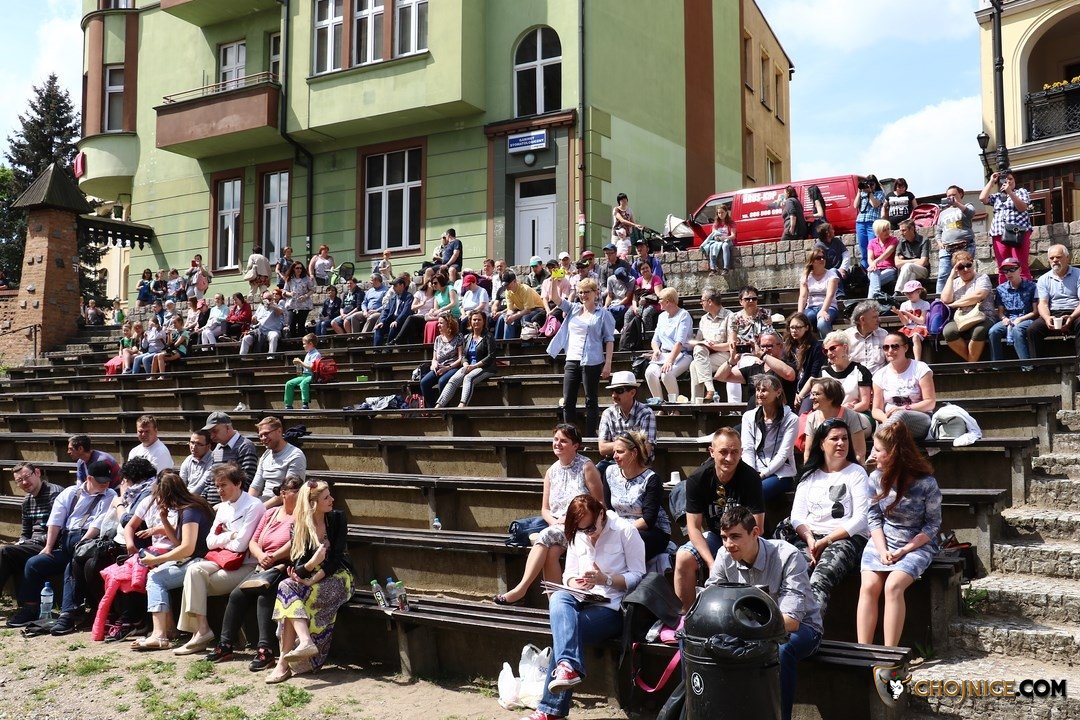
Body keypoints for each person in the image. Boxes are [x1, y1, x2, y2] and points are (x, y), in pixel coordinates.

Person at [521, 494, 644, 720]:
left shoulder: (625, 531)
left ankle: (550, 710)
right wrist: (575, 582)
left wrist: (606, 579)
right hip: (583, 599)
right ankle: (567, 667)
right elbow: (568, 574)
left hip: (614, 607)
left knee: (566, 632)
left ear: (601, 514)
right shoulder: (578, 535)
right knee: (558, 597)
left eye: (591, 528)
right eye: (582, 529)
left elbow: (639, 576)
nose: (587, 533)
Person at [705, 506, 822, 720]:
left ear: (755, 532)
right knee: (694, 640)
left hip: (802, 629)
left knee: (779, 650)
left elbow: (792, 621)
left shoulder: (788, 556)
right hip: (747, 627)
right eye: (724, 537)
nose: (728, 544)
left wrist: (742, 630)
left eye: (735, 536)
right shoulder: (724, 555)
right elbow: (711, 600)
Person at [494, 424, 604, 605]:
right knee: (551, 553)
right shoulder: (551, 471)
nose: (557, 444)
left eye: (564, 441)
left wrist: (574, 520)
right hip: (558, 527)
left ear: (575, 445)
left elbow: (600, 504)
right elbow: (545, 509)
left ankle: (521, 589)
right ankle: (555, 603)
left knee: (545, 536)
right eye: (556, 439)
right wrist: (555, 522)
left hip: (582, 526)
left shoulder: (587, 467)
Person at [857, 423, 941, 647]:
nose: (873, 454)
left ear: (893, 454)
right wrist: (882, 550)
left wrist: (905, 550)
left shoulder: (926, 484)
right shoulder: (875, 478)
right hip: (882, 539)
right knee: (869, 586)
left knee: (893, 586)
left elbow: (933, 525)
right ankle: (863, 651)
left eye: (878, 450)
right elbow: (873, 518)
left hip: (917, 543)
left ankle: (889, 653)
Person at [205, 475, 300, 670]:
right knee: (237, 595)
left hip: (286, 567)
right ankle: (225, 645)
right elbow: (253, 541)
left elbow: (296, 542)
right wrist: (261, 555)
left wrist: (273, 557)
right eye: (296, 491)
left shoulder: (301, 516)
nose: (301, 495)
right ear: (283, 493)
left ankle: (266, 650)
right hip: (263, 565)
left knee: (265, 596)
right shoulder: (270, 513)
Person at [8, 461, 117, 630]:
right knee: (34, 563)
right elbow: (55, 520)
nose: (105, 484)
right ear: (89, 478)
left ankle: (67, 615)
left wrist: (81, 544)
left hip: (87, 543)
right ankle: (30, 607)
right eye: (101, 481)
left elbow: (98, 524)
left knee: (71, 567)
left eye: (107, 481)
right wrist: (48, 547)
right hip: (66, 542)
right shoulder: (71, 492)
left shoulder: (110, 495)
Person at [172, 463, 267, 656]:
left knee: (195, 583)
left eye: (223, 485)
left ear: (238, 483)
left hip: (245, 566)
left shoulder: (254, 505)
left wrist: (224, 539)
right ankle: (202, 630)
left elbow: (241, 546)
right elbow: (209, 542)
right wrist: (230, 535)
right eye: (217, 486)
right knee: (193, 571)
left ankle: (198, 634)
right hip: (221, 561)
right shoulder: (222, 507)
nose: (219, 490)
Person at [267, 479, 354, 682]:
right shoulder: (298, 526)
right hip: (311, 575)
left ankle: (283, 663)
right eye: (326, 498)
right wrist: (312, 563)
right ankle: (304, 643)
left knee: (291, 599)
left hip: (339, 577)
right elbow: (297, 568)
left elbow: (336, 560)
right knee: (286, 586)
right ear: (313, 503)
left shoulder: (337, 518)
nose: (332, 500)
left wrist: (312, 579)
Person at [673, 428, 765, 612]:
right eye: (723, 452)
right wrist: (711, 562)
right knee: (683, 557)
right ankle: (686, 618)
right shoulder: (697, 479)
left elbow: (757, 527)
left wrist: (731, 550)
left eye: (735, 452)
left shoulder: (751, 478)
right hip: (717, 536)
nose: (729, 458)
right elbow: (693, 528)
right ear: (712, 451)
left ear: (741, 452)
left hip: (746, 539)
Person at [131, 470, 216, 650]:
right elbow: (179, 543)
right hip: (195, 558)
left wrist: (157, 559)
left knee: (155, 578)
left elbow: (187, 548)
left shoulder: (190, 511)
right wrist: (164, 519)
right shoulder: (190, 506)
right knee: (155, 575)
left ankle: (159, 635)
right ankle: (165, 632)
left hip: (200, 560)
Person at [546, 278, 615, 437]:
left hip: (592, 360)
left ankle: (590, 436)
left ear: (595, 293)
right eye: (581, 292)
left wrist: (608, 364)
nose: (583, 295)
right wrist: (555, 281)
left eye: (587, 292)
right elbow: (555, 298)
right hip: (572, 358)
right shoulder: (573, 308)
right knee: (568, 401)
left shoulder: (603, 314)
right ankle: (570, 437)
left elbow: (609, 340)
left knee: (591, 400)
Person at [1, 464, 63, 619]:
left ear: (37, 473)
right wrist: (22, 542)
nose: (24, 482)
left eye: (26, 477)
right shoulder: (27, 501)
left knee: (4, 551)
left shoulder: (54, 494)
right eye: (19, 480)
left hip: (52, 544)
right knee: (6, 552)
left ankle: (28, 609)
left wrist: (27, 543)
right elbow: (25, 533)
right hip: (33, 545)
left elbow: (60, 529)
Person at [603, 431, 670, 560]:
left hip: (651, 531)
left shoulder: (651, 479)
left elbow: (648, 520)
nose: (615, 456)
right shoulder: (610, 472)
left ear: (633, 453)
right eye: (614, 452)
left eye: (620, 452)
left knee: (627, 541)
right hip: (619, 527)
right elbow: (609, 509)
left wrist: (621, 531)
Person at [742, 374, 798, 501]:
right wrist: (752, 474)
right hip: (754, 470)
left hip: (781, 473)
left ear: (778, 392)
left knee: (755, 492)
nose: (759, 394)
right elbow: (748, 448)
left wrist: (762, 475)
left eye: (764, 390)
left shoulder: (791, 419)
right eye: (758, 390)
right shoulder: (748, 417)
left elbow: (784, 454)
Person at [871, 333, 936, 441]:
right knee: (895, 424)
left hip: (919, 418)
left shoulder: (920, 368)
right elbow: (876, 409)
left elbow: (930, 403)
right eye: (886, 347)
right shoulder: (880, 375)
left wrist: (903, 408)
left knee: (900, 415)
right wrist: (886, 420)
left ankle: (877, 449)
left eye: (895, 346)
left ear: (905, 348)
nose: (890, 351)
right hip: (889, 421)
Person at [714, 330, 797, 412]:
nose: (765, 350)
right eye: (762, 346)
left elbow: (788, 374)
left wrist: (762, 355)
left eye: (769, 346)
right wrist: (731, 361)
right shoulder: (754, 368)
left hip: (780, 416)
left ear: (781, 346)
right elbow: (720, 377)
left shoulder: (788, 366)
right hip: (754, 416)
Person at [596, 371, 656, 475]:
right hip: (613, 461)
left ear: (632, 393)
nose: (614, 395)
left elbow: (646, 449)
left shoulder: (646, 413)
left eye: (619, 391)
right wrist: (630, 445)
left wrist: (618, 446)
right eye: (612, 391)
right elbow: (602, 448)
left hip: (638, 462)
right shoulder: (608, 413)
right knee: (594, 473)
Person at [434, 310, 496, 408]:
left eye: (479, 320)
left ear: (484, 321)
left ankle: (462, 405)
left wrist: (474, 366)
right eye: (474, 320)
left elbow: (491, 356)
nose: (476, 322)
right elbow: (463, 355)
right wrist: (466, 364)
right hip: (469, 366)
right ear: (470, 322)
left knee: (468, 378)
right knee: (453, 379)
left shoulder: (489, 337)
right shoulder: (467, 337)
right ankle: (439, 406)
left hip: (485, 367)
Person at [940, 250, 993, 363]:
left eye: (968, 265)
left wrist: (955, 304)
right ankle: (972, 364)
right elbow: (945, 299)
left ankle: (971, 365)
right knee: (948, 332)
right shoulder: (955, 282)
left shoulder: (982, 278)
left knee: (978, 331)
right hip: (961, 317)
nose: (965, 269)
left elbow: (979, 296)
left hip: (983, 315)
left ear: (972, 263)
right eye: (960, 267)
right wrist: (951, 276)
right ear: (956, 269)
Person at [980, 169, 1033, 284]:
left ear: (1014, 180)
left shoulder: (1021, 192)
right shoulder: (997, 196)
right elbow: (982, 198)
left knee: (1020, 265)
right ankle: (1005, 291)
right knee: (1003, 267)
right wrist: (991, 181)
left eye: (1010, 179)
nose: (1008, 181)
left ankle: (1026, 291)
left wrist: (1010, 192)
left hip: (1017, 232)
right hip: (999, 233)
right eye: (1005, 179)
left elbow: (1022, 207)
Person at [1028, 244, 1080, 358]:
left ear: (1067, 258)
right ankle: (1039, 365)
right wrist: (1047, 318)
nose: (1055, 260)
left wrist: (1071, 317)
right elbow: (1042, 303)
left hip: (1075, 312)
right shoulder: (1043, 279)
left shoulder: (1078, 274)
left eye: (1058, 257)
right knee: (1033, 330)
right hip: (1053, 313)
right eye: (1052, 258)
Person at [802, 377, 869, 464]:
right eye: (811, 394)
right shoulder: (812, 418)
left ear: (831, 397)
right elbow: (808, 453)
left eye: (816, 394)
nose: (811, 398)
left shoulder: (851, 417)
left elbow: (859, 453)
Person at [644, 288, 692, 404]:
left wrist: (670, 361)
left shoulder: (683, 315)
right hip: (663, 354)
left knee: (666, 374)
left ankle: (675, 406)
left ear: (668, 301)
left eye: (660, 299)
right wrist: (656, 350)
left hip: (682, 354)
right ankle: (659, 403)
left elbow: (679, 342)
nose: (658, 302)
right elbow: (655, 340)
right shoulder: (661, 317)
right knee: (650, 373)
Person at [987, 257, 1037, 364]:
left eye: (1012, 269)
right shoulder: (1001, 289)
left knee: (1017, 330)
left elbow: (1035, 312)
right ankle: (997, 365)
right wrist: (1004, 318)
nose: (1008, 273)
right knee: (993, 331)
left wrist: (1021, 319)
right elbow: (1000, 311)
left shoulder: (1032, 287)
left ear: (1020, 269)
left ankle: (1026, 366)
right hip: (1009, 318)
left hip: (1027, 318)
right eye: (1005, 271)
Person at [688, 286, 731, 403]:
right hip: (706, 354)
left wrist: (713, 346)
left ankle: (697, 401)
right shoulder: (703, 319)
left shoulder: (729, 316)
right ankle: (709, 391)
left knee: (694, 365)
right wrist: (703, 343)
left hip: (725, 354)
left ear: (710, 302)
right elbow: (695, 341)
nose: (701, 303)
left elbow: (731, 345)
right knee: (697, 354)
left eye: (702, 300)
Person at [203, 412, 260, 498]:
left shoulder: (245, 446)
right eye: (210, 433)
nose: (212, 436)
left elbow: (247, 479)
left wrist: (230, 502)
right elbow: (210, 479)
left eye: (215, 431)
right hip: (211, 502)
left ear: (227, 428)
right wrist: (203, 499)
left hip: (230, 502)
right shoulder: (217, 448)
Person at [249, 417, 307, 501]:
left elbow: (289, 492)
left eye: (266, 433)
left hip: (283, 503)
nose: (263, 438)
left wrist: (263, 507)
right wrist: (248, 504)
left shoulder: (295, 455)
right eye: (260, 436)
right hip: (264, 500)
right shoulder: (265, 455)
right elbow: (255, 486)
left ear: (279, 431)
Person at [935, 185, 976, 293]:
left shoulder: (967, 206)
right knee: (943, 275)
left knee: (965, 272)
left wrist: (957, 204)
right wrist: (939, 242)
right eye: (948, 196)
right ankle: (939, 300)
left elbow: (971, 213)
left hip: (965, 246)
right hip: (947, 248)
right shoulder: (943, 213)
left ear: (960, 194)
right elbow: (938, 231)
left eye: (954, 195)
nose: (951, 197)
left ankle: (966, 295)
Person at [420, 316, 463, 408]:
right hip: (439, 367)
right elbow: (434, 358)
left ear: (449, 324)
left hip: (452, 366)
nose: (438, 325)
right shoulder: (438, 339)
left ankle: (444, 408)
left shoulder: (458, 337)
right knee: (424, 382)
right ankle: (432, 409)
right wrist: (434, 364)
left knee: (442, 381)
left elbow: (460, 358)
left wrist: (447, 368)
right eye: (438, 323)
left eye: (441, 323)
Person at [787, 311, 826, 413]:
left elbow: (814, 376)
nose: (794, 330)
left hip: (809, 390)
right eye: (792, 327)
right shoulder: (788, 347)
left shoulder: (815, 347)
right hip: (791, 390)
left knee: (803, 415)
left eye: (798, 327)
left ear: (807, 327)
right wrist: (793, 394)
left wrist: (800, 396)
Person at [797, 249, 840, 337]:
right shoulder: (806, 277)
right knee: (803, 321)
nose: (822, 259)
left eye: (823, 257)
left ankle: (828, 343)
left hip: (829, 307)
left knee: (822, 323)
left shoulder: (832, 275)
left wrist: (824, 310)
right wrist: (799, 314)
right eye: (818, 258)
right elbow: (803, 297)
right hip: (811, 308)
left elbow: (830, 295)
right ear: (812, 261)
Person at [495, 271, 545, 340]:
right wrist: (508, 316)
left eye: (508, 284)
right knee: (502, 318)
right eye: (505, 285)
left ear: (514, 281)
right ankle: (499, 342)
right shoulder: (508, 292)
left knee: (525, 318)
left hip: (537, 309)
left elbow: (528, 310)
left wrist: (514, 317)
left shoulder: (525, 290)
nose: (507, 287)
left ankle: (524, 344)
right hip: (522, 310)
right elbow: (510, 309)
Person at [845, 300, 888, 374]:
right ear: (862, 319)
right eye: (875, 317)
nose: (879, 320)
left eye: (878, 316)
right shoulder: (846, 337)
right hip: (854, 378)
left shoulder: (884, 334)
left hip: (878, 378)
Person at [240, 291, 286, 357]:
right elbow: (255, 321)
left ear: (272, 299)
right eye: (265, 299)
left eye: (269, 299)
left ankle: (271, 357)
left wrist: (271, 306)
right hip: (260, 331)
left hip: (272, 330)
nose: (267, 300)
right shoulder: (261, 307)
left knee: (274, 336)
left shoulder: (276, 305)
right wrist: (254, 319)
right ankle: (242, 358)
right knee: (246, 339)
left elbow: (280, 312)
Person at [373, 274, 414, 346]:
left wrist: (397, 321)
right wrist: (382, 321)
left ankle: (388, 349)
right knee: (379, 328)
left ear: (402, 285)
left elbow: (405, 311)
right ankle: (376, 350)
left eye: (395, 286)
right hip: (391, 320)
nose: (393, 288)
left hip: (402, 322)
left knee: (393, 327)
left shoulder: (408, 297)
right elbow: (386, 310)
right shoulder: (393, 298)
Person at [283, 334, 320, 411]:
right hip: (305, 375)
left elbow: (311, 367)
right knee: (289, 383)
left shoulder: (316, 354)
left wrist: (300, 362)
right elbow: (305, 366)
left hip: (312, 375)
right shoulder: (308, 353)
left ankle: (305, 404)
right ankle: (288, 405)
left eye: (304, 344)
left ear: (311, 344)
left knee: (304, 383)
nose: (303, 346)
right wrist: (298, 363)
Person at [628, 259, 664, 338]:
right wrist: (635, 307)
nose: (645, 270)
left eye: (647, 268)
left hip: (654, 304)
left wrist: (647, 299)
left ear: (650, 268)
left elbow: (658, 295)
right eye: (642, 269)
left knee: (646, 313)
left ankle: (646, 336)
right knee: (629, 313)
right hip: (641, 304)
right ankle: (628, 336)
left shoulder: (656, 279)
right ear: (640, 271)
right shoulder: (638, 281)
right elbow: (635, 297)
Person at [855, 174, 885, 268]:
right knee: (863, 248)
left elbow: (875, 204)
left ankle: (873, 267)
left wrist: (870, 193)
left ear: (876, 184)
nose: (870, 186)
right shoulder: (862, 193)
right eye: (868, 184)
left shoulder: (880, 193)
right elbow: (855, 205)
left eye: (872, 184)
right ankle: (864, 270)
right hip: (860, 222)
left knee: (872, 247)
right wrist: (859, 192)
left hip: (872, 222)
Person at [896, 281, 931, 363]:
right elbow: (905, 323)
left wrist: (907, 313)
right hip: (908, 327)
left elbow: (921, 321)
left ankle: (917, 361)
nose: (908, 295)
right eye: (906, 293)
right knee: (897, 337)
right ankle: (899, 359)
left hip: (920, 327)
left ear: (919, 291)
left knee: (915, 336)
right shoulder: (904, 304)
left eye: (911, 292)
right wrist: (900, 314)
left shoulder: (925, 304)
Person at [893, 219, 930, 291]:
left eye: (904, 230)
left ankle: (898, 291)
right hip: (907, 271)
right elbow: (897, 263)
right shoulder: (901, 243)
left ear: (912, 229)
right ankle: (908, 294)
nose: (901, 233)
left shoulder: (924, 240)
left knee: (908, 266)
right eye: (900, 231)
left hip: (922, 271)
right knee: (911, 274)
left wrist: (904, 262)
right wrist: (915, 260)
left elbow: (922, 263)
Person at [282, 262, 314, 338]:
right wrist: (290, 294)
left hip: (304, 305)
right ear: (293, 269)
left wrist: (305, 296)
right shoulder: (289, 279)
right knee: (291, 324)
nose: (299, 270)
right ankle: (292, 341)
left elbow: (312, 289)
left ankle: (301, 341)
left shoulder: (306, 278)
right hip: (292, 305)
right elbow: (284, 291)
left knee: (301, 325)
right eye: (297, 268)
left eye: (300, 268)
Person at [700, 204, 735, 273]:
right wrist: (717, 238)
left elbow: (733, 236)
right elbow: (714, 235)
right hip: (718, 241)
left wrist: (725, 238)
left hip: (728, 240)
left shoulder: (731, 223)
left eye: (722, 212)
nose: (721, 214)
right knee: (712, 246)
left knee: (725, 246)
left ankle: (726, 268)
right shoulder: (716, 224)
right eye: (719, 213)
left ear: (726, 212)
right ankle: (713, 268)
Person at [179, 430, 215, 498]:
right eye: (192, 442)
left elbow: (202, 485)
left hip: (202, 498)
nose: (194, 447)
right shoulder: (188, 459)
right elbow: (181, 482)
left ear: (208, 446)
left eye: (199, 444)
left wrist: (186, 497)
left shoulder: (213, 460)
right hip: (186, 497)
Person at [611, 192, 643, 257]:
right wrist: (635, 225)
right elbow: (622, 220)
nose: (624, 201)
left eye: (625, 199)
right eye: (622, 199)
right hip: (617, 234)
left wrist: (638, 226)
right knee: (615, 249)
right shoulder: (616, 209)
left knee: (627, 250)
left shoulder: (629, 210)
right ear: (619, 201)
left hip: (626, 234)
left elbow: (633, 222)